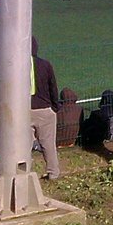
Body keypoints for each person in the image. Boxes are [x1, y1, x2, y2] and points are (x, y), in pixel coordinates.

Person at [30, 37, 62, 180]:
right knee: (48, 143)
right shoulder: (45, 65)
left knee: (24, 145)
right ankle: (53, 172)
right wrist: (55, 106)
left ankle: (25, 173)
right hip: (45, 110)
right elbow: (53, 87)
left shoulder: (16, 66)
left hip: (24, 110)